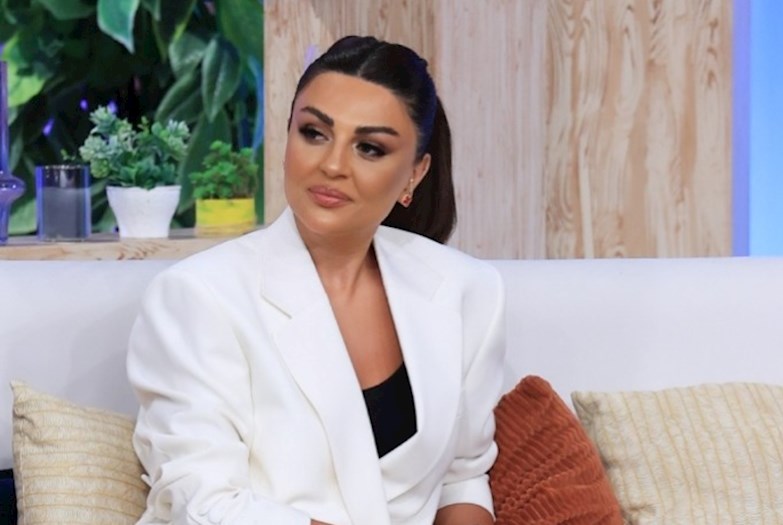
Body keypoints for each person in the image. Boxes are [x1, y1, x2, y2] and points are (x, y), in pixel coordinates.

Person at [127, 35, 505, 525]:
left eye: (369, 148)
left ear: (415, 173)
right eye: (314, 133)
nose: (332, 165)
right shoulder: (197, 296)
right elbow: (203, 502)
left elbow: (462, 475)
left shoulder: (467, 290)